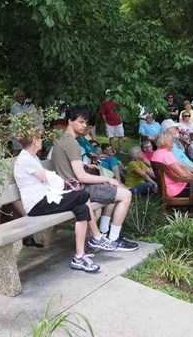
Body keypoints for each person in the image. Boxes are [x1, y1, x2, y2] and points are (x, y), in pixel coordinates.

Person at [14, 127, 117, 272]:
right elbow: (49, 180)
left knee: (81, 208)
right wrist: (59, 181)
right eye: (39, 138)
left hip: (46, 199)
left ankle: (79, 257)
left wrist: (57, 181)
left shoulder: (32, 157)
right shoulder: (25, 159)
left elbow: (48, 180)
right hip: (37, 205)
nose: (42, 140)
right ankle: (97, 237)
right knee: (82, 195)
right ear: (33, 141)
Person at [52, 106, 137, 251]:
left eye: (86, 122)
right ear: (70, 121)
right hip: (77, 190)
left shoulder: (63, 140)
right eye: (81, 122)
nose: (85, 125)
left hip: (69, 188)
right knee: (126, 195)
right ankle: (113, 239)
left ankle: (103, 232)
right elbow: (81, 176)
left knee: (112, 193)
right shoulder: (71, 143)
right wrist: (109, 179)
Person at [151, 130, 193, 197]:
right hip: (174, 189)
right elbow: (183, 175)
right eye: (172, 140)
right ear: (168, 142)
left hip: (166, 187)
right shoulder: (167, 155)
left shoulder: (156, 153)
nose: (173, 143)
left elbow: (179, 164)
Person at [98, 89, 125, 154]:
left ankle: (121, 150)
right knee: (111, 137)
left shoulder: (117, 101)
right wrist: (105, 121)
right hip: (109, 122)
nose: (109, 94)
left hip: (118, 121)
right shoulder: (104, 103)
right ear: (105, 94)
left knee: (120, 136)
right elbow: (102, 113)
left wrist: (121, 119)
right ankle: (113, 150)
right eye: (107, 93)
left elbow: (121, 110)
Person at [10, 90, 37, 155]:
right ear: (16, 98)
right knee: (17, 149)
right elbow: (21, 116)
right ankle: (13, 163)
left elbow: (33, 112)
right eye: (21, 96)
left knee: (28, 148)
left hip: (26, 131)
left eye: (23, 96)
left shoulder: (27, 104)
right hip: (17, 131)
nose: (23, 97)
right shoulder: (14, 107)